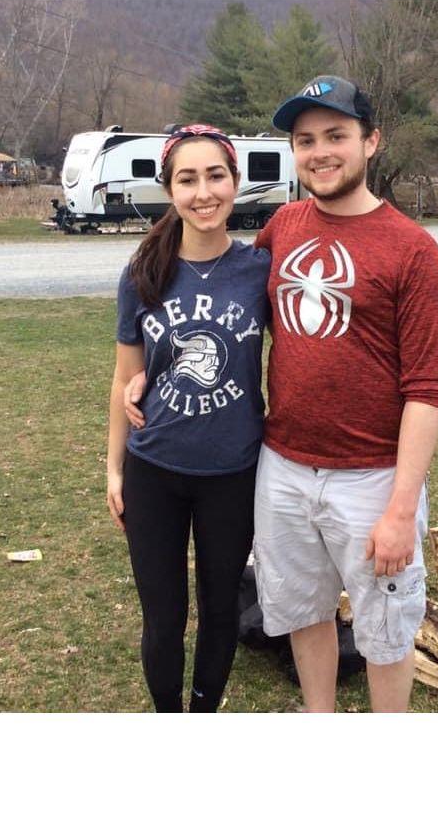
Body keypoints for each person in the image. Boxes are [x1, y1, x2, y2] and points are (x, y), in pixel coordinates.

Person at [126, 77, 438, 713]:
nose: (320, 152)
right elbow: (225, 302)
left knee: (385, 632)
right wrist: (157, 369)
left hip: (371, 477)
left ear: (372, 141)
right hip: (280, 467)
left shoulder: (414, 252)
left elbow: (427, 388)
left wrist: (400, 508)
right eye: (305, 140)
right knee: (303, 612)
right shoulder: (285, 225)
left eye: (336, 136)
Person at [106, 124, 271, 712]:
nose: (204, 192)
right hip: (154, 469)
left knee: (221, 606)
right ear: (169, 190)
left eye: (215, 176)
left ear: (236, 182)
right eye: (187, 179)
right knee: (164, 613)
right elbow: (124, 377)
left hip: (233, 471)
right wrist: (114, 468)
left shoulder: (259, 269)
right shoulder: (142, 273)